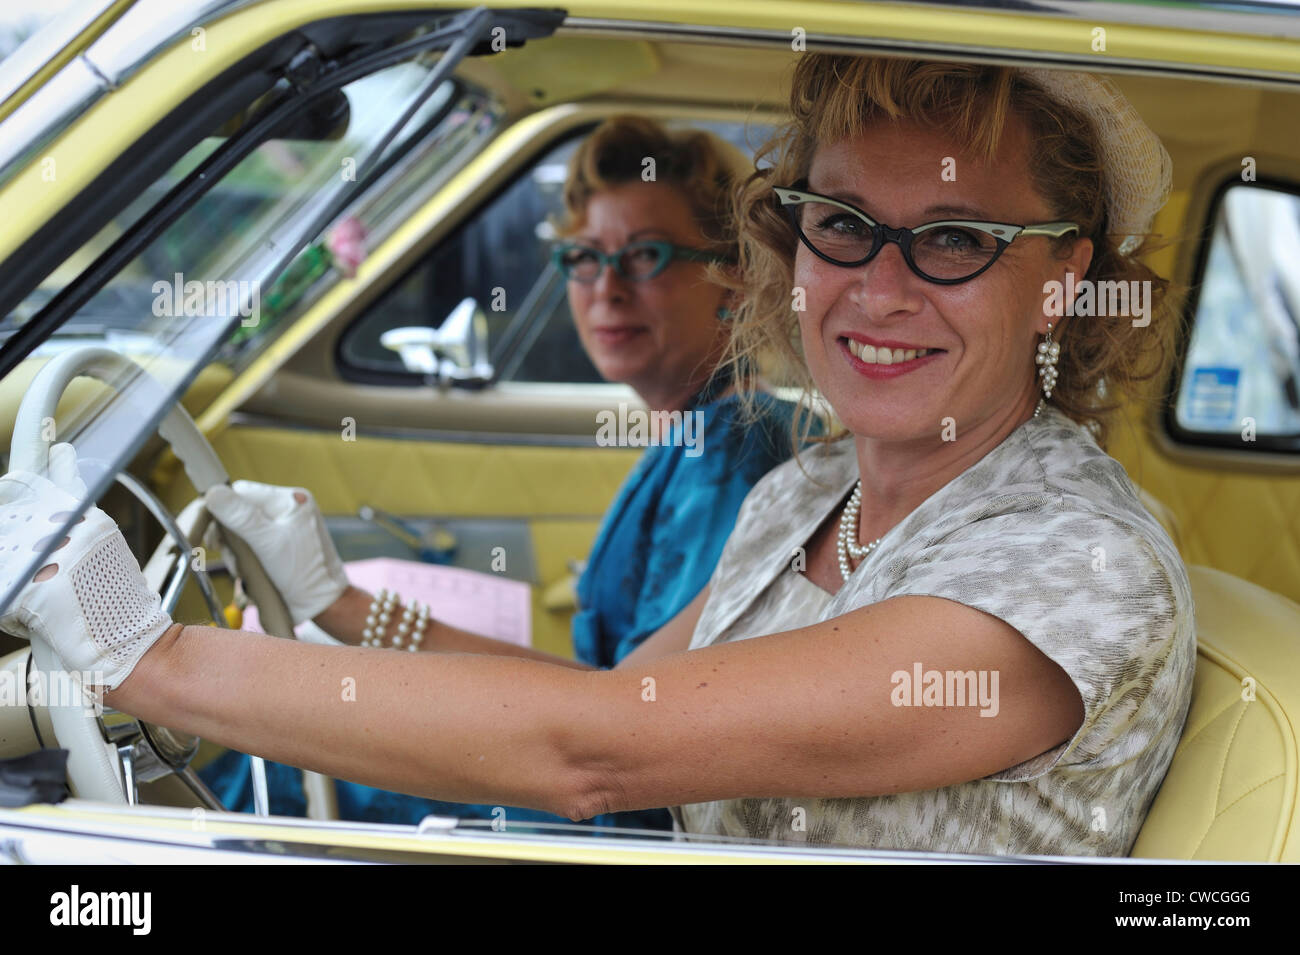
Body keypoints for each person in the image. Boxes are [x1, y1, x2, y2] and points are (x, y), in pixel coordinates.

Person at [0, 55, 1195, 856]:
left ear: (1063, 279)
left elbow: (598, 753)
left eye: (954, 241)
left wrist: (143, 650)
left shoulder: (1076, 566)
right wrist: (337, 605)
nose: (880, 289)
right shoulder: (809, 488)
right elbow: (606, 701)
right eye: (843, 225)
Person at [195, 115, 815, 832]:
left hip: (617, 814)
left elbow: (630, 720)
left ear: (731, 277)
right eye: (583, 257)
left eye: (644, 255)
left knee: (286, 761)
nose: (605, 288)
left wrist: (346, 608)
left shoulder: (731, 450)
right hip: (595, 767)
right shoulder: (700, 429)